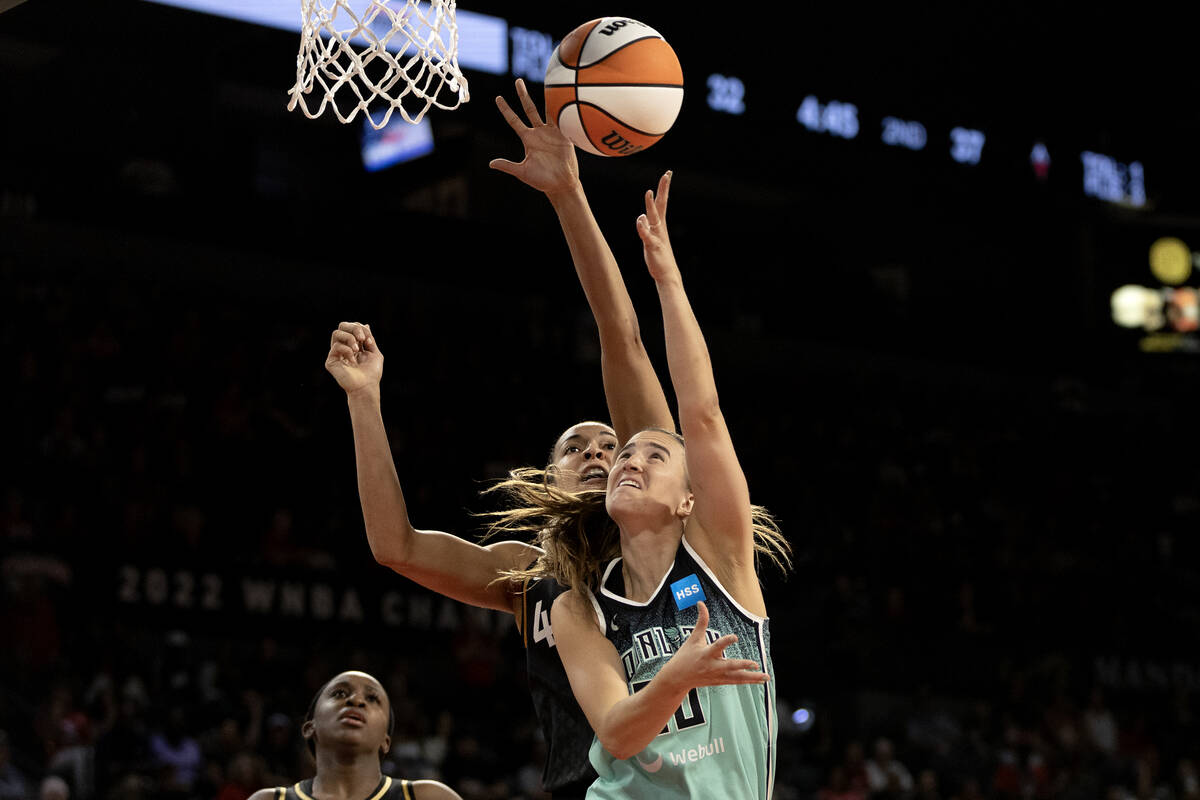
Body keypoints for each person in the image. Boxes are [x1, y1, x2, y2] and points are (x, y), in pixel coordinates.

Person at [324, 78, 674, 799]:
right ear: (549, 480)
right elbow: (397, 547)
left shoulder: (668, 528)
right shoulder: (528, 572)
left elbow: (622, 337)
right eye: (577, 446)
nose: (601, 453)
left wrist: (569, 196)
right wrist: (364, 401)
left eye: (612, 445)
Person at [492, 176, 791, 798]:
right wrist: (674, 677)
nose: (628, 459)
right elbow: (618, 734)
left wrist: (668, 280)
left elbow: (701, 411)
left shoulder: (722, 557)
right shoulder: (578, 607)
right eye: (626, 453)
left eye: (653, 454)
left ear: (689, 498)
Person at [248, 671, 462, 800]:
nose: (356, 700)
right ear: (309, 727)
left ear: (385, 741)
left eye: (372, 698)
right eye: (339, 693)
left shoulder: (427, 796)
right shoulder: (270, 798)